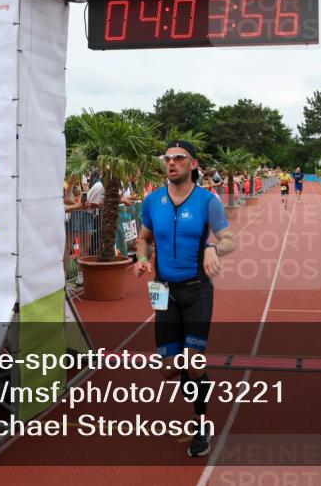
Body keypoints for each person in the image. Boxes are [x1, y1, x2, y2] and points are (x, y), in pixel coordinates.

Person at [135, 140, 235, 458]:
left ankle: (200, 422)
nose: (172, 162)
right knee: (168, 369)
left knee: (193, 362)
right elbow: (143, 238)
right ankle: (194, 383)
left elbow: (229, 240)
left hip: (197, 289)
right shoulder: (151, 201)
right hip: (162, 289)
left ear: (193, 164)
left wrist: (211, 248)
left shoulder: (208, 201)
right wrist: (141, 257)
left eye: (179, 158)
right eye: (168, 158)